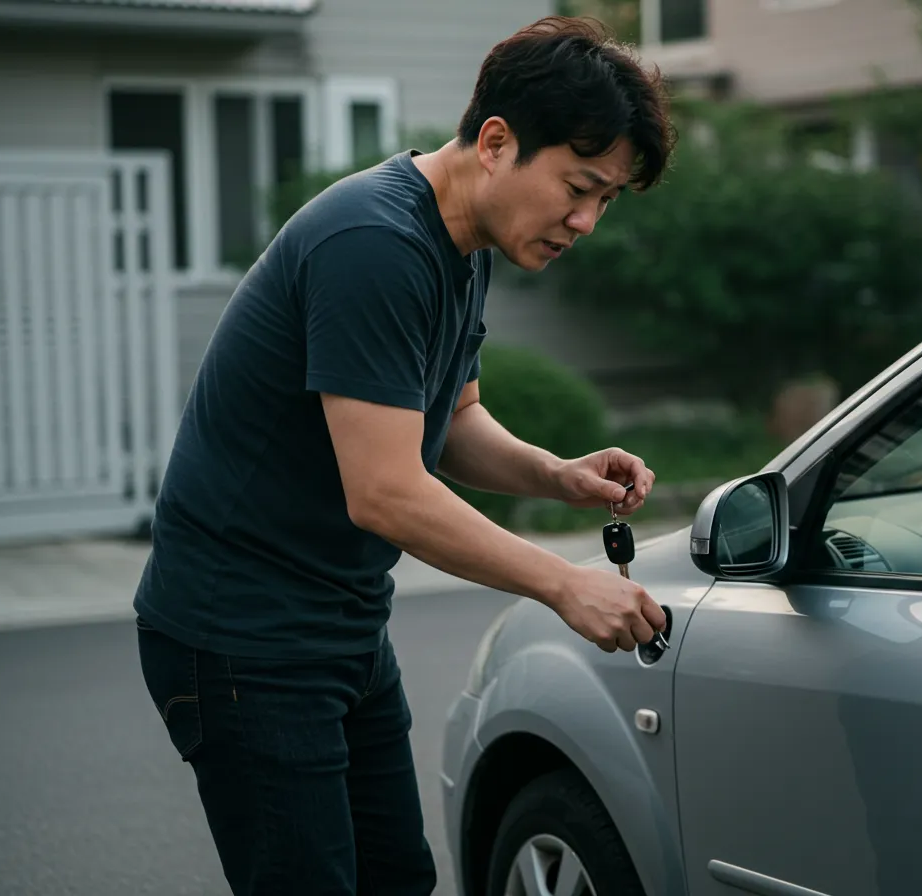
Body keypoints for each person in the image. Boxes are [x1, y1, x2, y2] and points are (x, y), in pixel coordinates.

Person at [131, 14, 677, 896]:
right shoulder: (376, 244)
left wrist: (553, 473)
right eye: (579, 186)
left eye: (606, 198)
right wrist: (566, 582)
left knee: (398, 879)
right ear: (496, 142)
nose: (586, 220)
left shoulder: (465, 244)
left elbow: (449, 417)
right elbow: (386, 492)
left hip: (339, 624)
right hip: (243, 639)